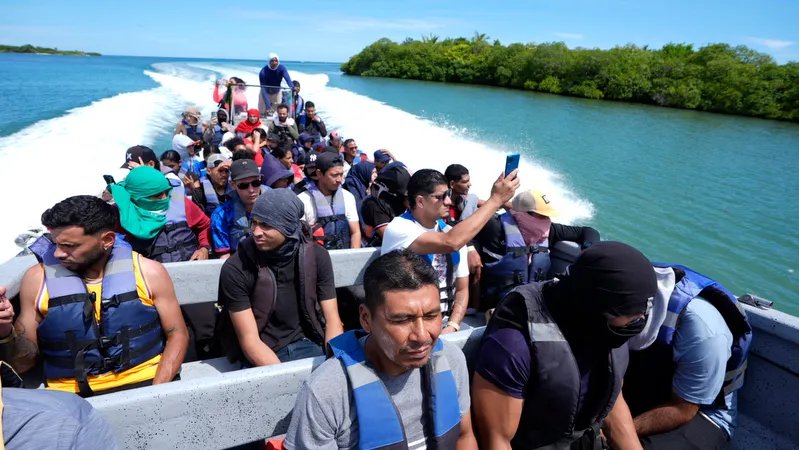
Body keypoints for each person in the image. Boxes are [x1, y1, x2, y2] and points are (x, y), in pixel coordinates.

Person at [284, 249, 476, 450]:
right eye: (402, 320)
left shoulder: (451, 360)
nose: (421, 336)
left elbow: (465, 436)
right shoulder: (327, 392)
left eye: (430, 316)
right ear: (366, 319)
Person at [472, 241, 657, 449]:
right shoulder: (512, 344)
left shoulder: (607, 332)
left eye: (643, 311)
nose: (639, 319)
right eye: (631, 313)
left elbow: (612, 401)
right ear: (596, 306)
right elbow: (498, 440)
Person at [0, 195, 188, 397]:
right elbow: (23, 363)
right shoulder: (37, 280)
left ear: (107, 240)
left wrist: (157, 394)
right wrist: (5, 331)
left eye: (69, 246)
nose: (58, 254)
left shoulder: (149, 272)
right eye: (55, 244)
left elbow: (178, 334)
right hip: (69, 397)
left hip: (146, 383)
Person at [610, 264, 752, 449]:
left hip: (697, 410)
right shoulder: (617, 296)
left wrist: (617, 433)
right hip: (650, 384)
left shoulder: (703, 333)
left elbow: (683, 409)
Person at [381, 169, 520, 333]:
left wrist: (453, 326)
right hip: (406, 325)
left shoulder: (449, 231)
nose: (448, 201)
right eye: (440, 197)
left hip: (443, 324)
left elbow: (461, 290)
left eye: (448, 195)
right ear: (420, 201)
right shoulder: (399, 228)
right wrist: (496, 200)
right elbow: (451, 242)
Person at [217, 189, 343, 366]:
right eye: (254, 222)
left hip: (311, 344)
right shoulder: (236, 268)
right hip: (264, 352)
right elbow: (250, 341)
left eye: (266, 225)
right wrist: (283, 379)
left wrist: (333, 364)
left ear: (289, 226)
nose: (256, 232)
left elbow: (332, 320)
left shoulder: (317, 256)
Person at [473, 189, 601, 310]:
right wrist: (470, 248)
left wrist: (587, 251)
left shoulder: (549, 231)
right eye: (543, 216)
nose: (547, 221)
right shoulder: (494, 226)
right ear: (525, 213)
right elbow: (459, 229)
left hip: (533, 303)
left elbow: (588, 231)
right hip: (496, 303)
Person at [110, 166, 211, 263]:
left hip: (188, 269)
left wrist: (204, 248)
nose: (164, 198)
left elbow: (205, 226)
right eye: (157, 195)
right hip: (147, 277)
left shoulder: (181, 202)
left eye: (166, 192)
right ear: (138, 197)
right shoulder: (118, 215)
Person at [1, 383, 119, 449]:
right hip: (124, 377)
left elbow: (24, 361)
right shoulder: (71, 418)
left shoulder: (69, 421)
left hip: (61, 387)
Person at [297, 152, 361, 250]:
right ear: (319, 174)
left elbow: (355, 232)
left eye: (341, 174)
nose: (339, 180)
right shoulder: (303, 200)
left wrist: (353, 257)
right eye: (334, 175)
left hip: (344, 255)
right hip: (317, 258)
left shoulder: (348, 197)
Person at [211, 159, 267, 258]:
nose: (251, 190)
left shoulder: (275, 206)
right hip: (240, 265)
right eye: (243, 185)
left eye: (255, 183)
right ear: (233, 185)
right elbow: (224, 256)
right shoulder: (220, 216)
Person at [360, 162, 410, 247]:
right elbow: (390, 238)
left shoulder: (399, 203)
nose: (409, 199)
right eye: (404, 196)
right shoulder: (374, 204)